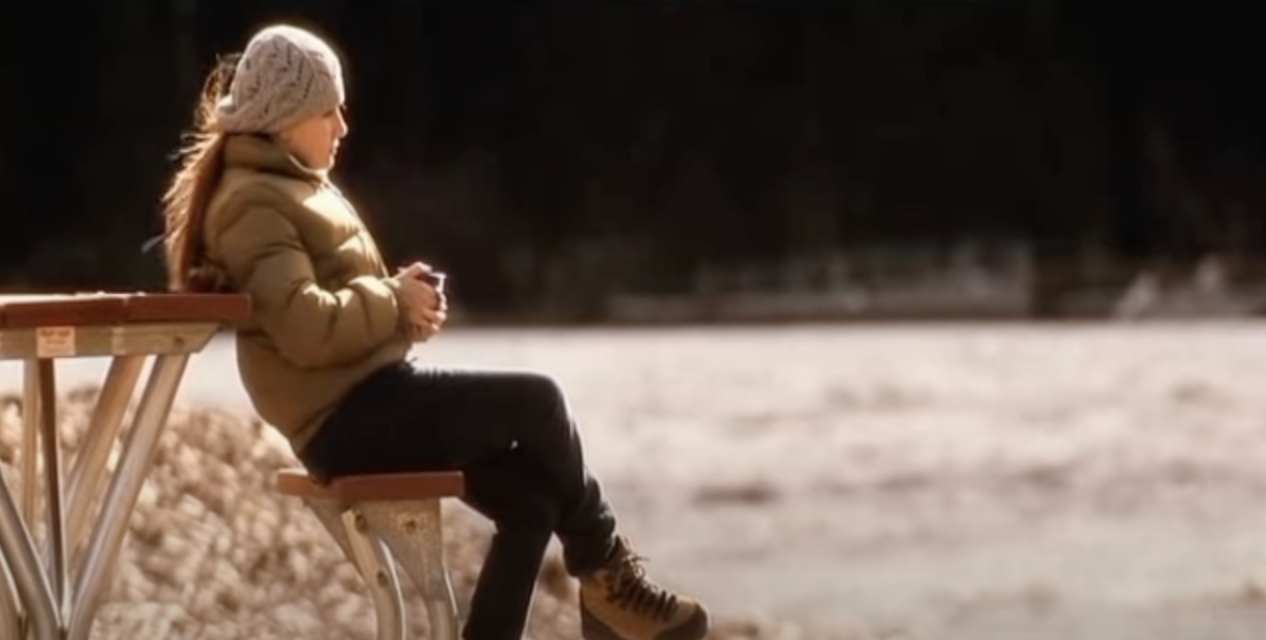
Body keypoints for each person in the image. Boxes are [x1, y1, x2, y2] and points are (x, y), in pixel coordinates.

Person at [158, 22, 710, 640]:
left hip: (367, 399)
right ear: (288, 117)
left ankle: (595, 599)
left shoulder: (289, 186)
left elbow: (330, 313)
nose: (342, 127)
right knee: (540, 402)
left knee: (531, 502)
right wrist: (394, 302)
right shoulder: (255, 202)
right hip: (345, 422)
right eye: (329, 112)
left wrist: (405, 308)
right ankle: (608, 576)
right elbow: (307, 329)